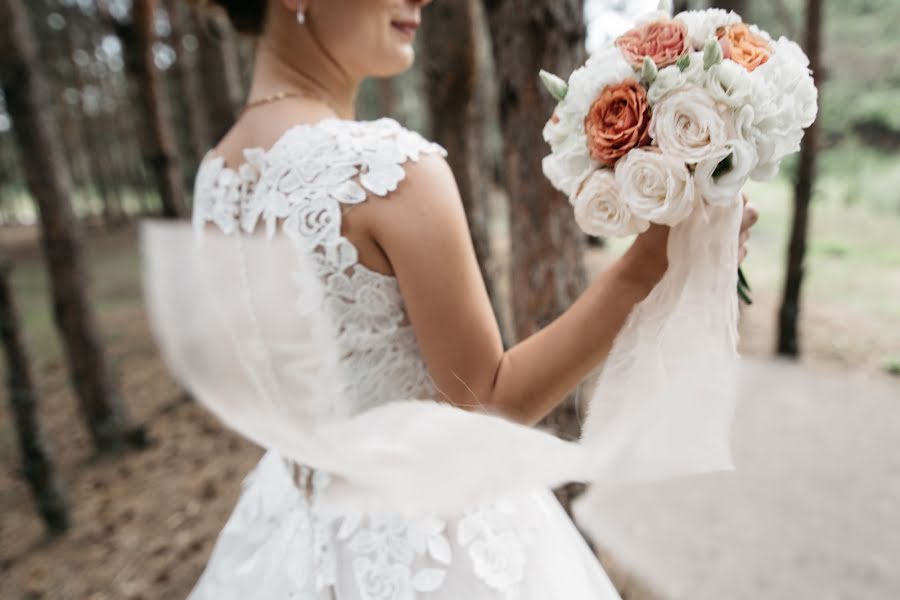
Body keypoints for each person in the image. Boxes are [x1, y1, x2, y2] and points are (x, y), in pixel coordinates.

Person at [186, 0, 758, 598]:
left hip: (290, 538)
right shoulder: (385, 170)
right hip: (426, 553)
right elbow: (485, 403)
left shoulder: (216, 179)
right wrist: (645, 268)